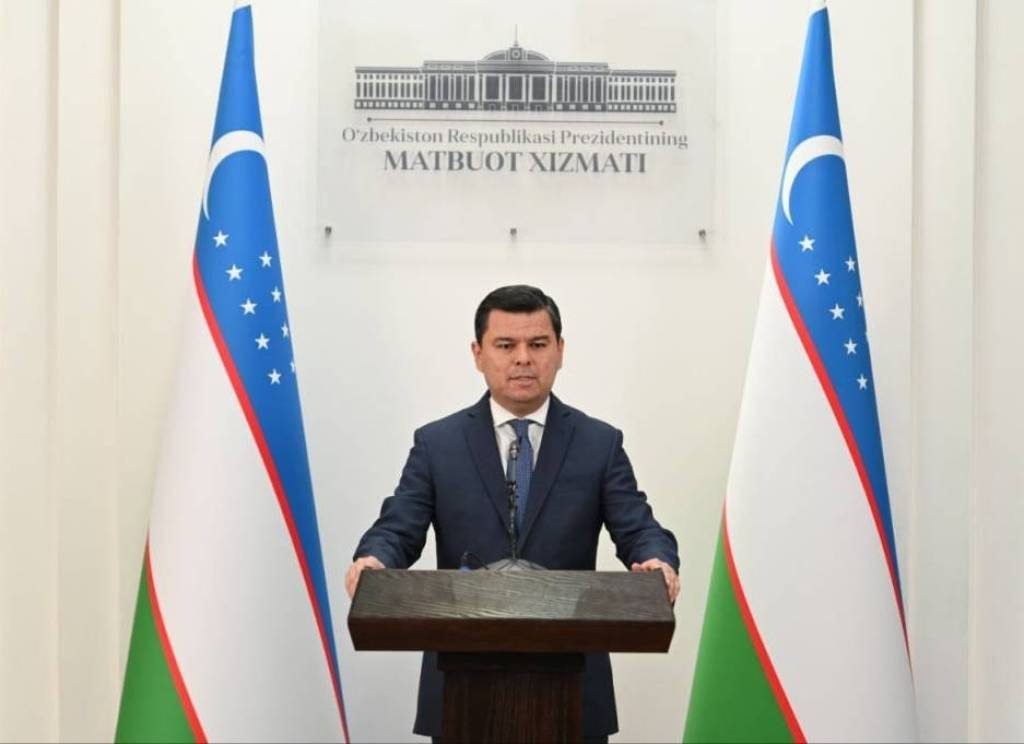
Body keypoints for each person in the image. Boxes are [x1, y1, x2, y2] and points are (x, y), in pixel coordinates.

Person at [346, 285, 679, 742]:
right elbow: (398, 527)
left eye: (537, 344)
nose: (523, 358)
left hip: (573, 689)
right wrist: (374, 560)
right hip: (461, 690)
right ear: (478, 354)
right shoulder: (438, 444)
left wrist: (657, 560)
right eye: (506, 345)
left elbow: (638, 528)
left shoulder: (598, 443)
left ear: (560, 351)